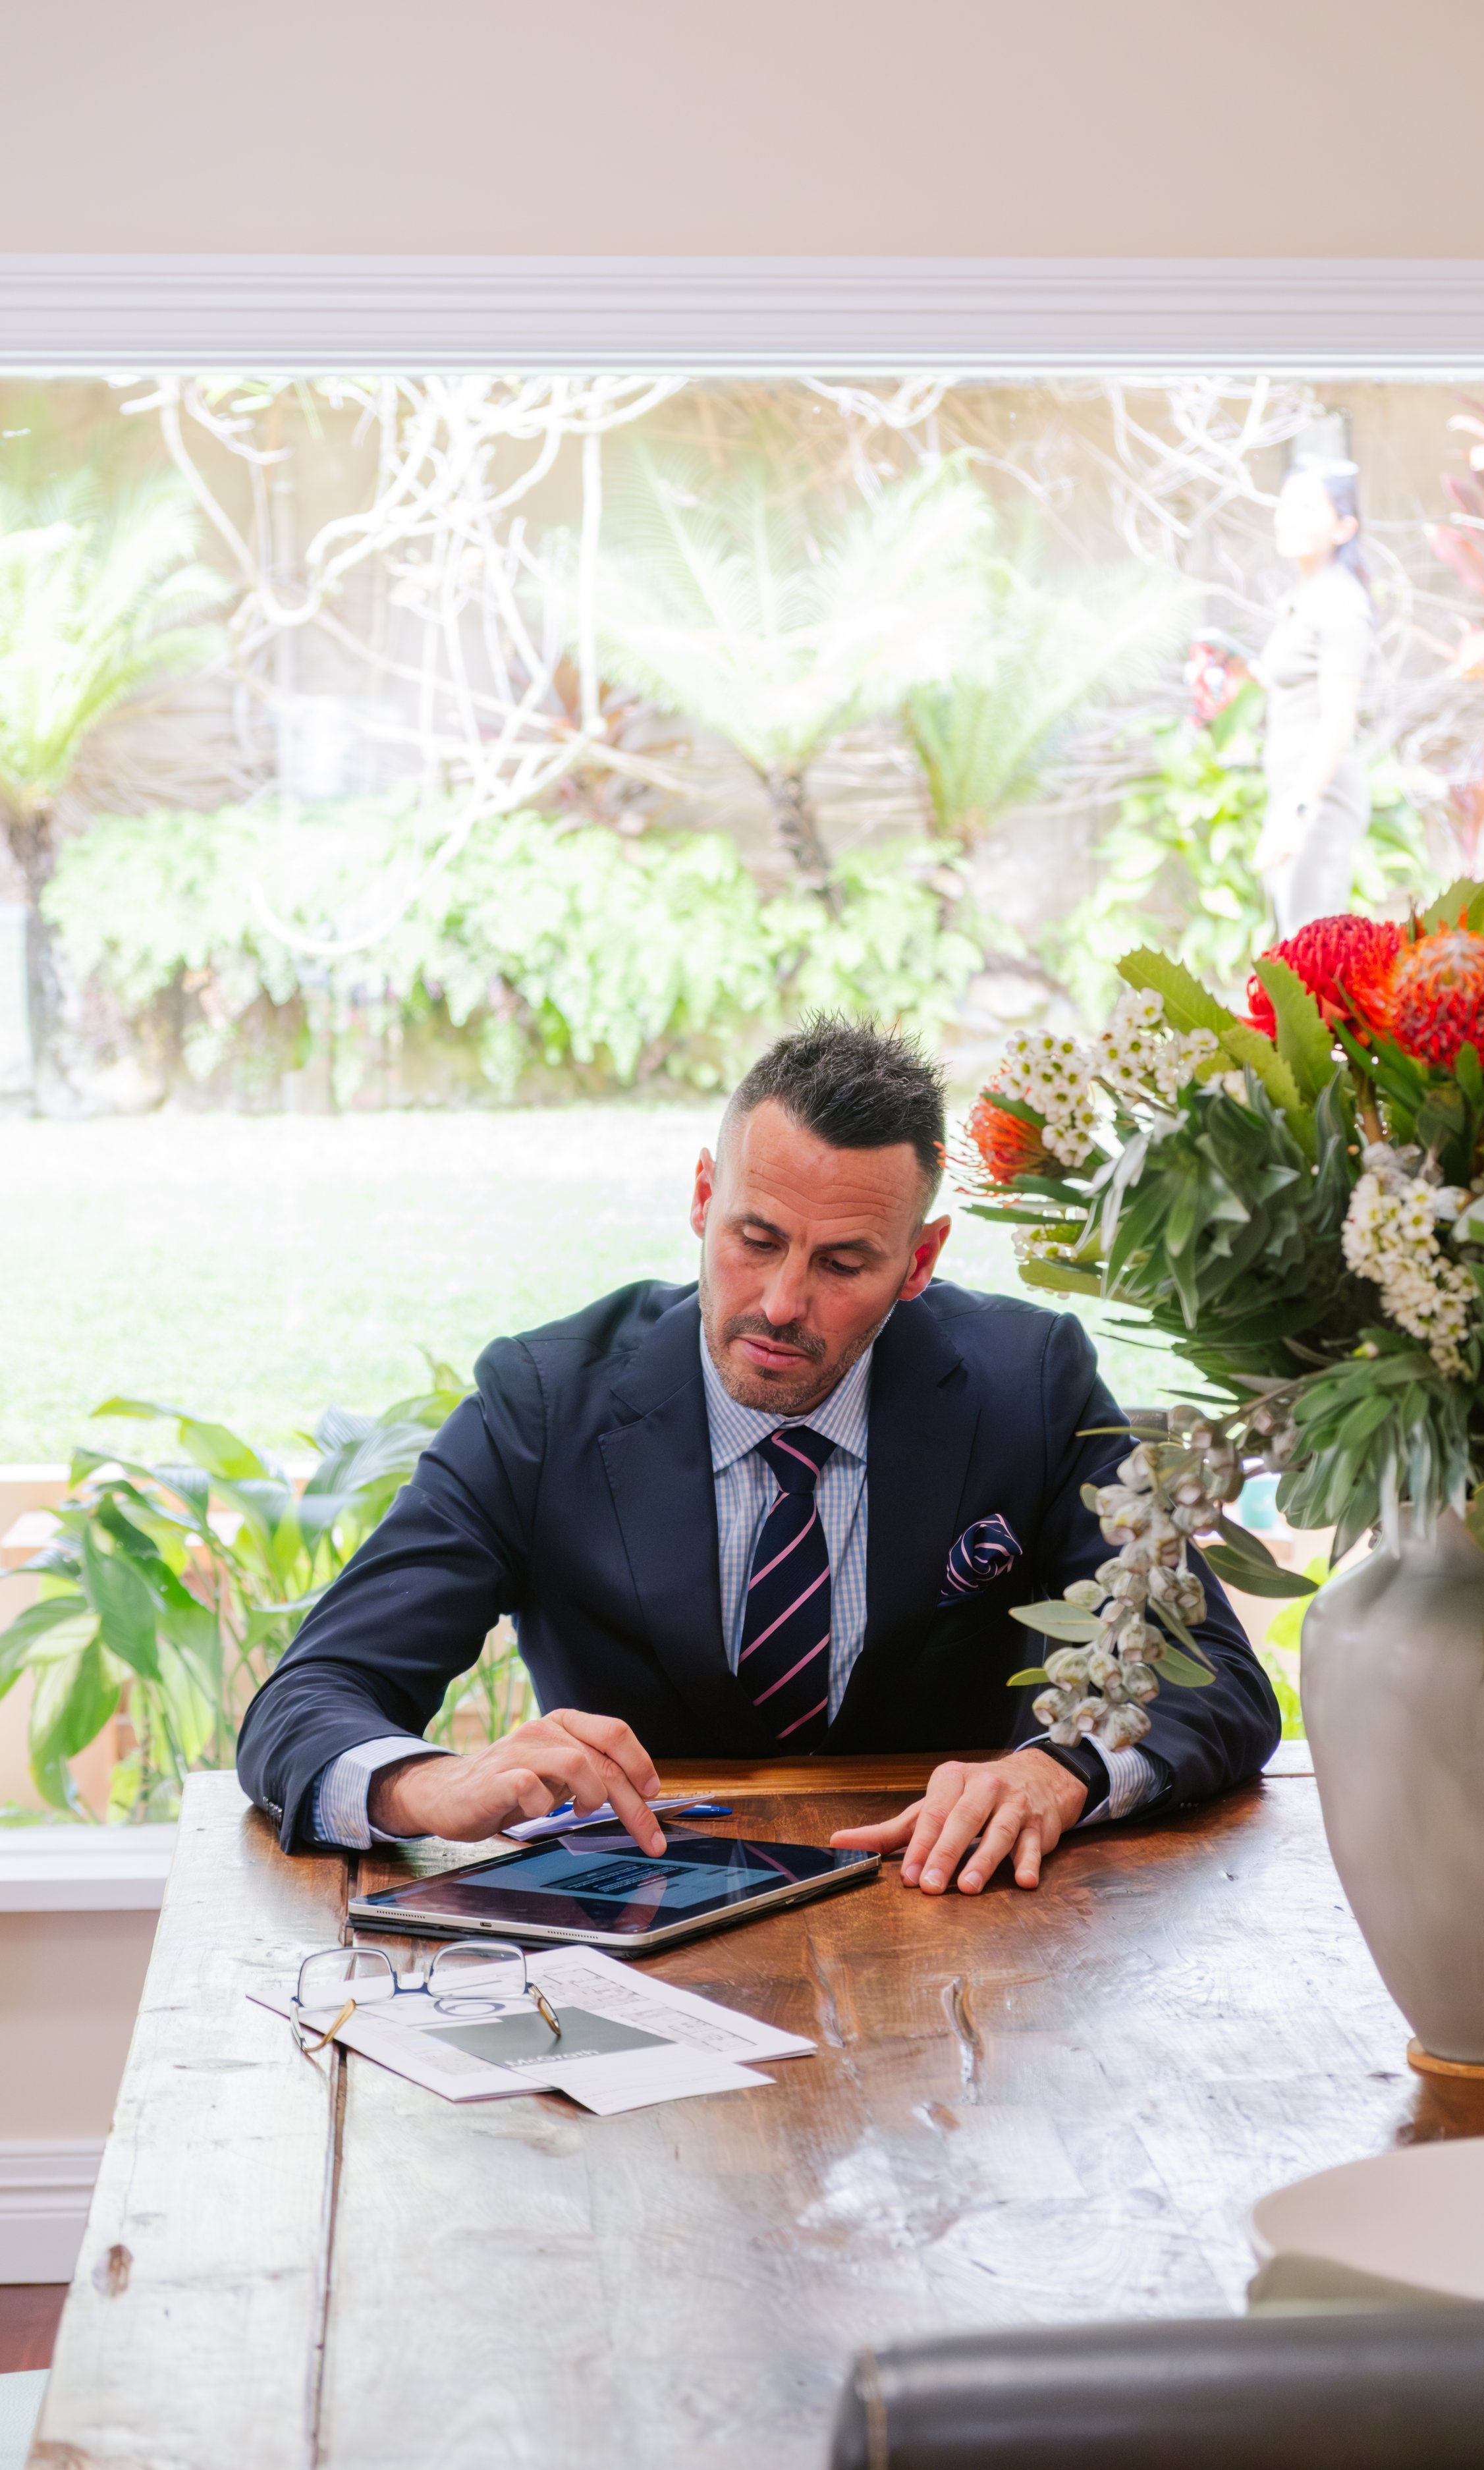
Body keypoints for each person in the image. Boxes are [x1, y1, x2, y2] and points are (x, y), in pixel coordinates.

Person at [236, 1020, 1278, 1895]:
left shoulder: (1030, 1384)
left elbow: (1217, 1680)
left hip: (952, 1923)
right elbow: (309, 1695)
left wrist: (1062, 1772)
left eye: (843, 1262)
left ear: (919, 1261)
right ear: (703, 1197)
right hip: (634, 1926)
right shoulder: (544, 1403)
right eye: (756, 1238)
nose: (782, 1303)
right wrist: (427, 1786)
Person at [1253, 458, 1375, 939]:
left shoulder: (1341, 603)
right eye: (1285, 505)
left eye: (1306, 507)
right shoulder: (1308, 596)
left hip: (1318, 801)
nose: (1288, 517)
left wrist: (1298, 811)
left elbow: (1338, 718)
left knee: (1309, 957)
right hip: (1295, 794)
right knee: (1292, 948)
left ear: (1344, 528)